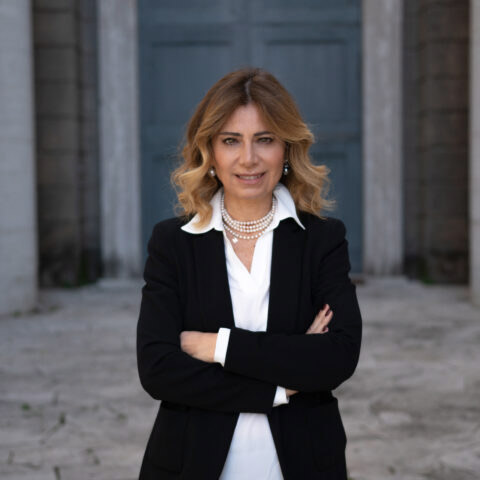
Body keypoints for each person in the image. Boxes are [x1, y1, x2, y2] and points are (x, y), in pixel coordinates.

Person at [136, 67, 362, 480]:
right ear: (209, 151)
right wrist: (282, 385)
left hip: (304, 463)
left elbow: (337, 357)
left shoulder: (322, 240)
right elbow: (158, 370)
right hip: (191, 464)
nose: (248, 158)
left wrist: (218, 346)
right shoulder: (173, 243)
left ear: (287, 149)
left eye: (265, 139)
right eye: (230, 141)